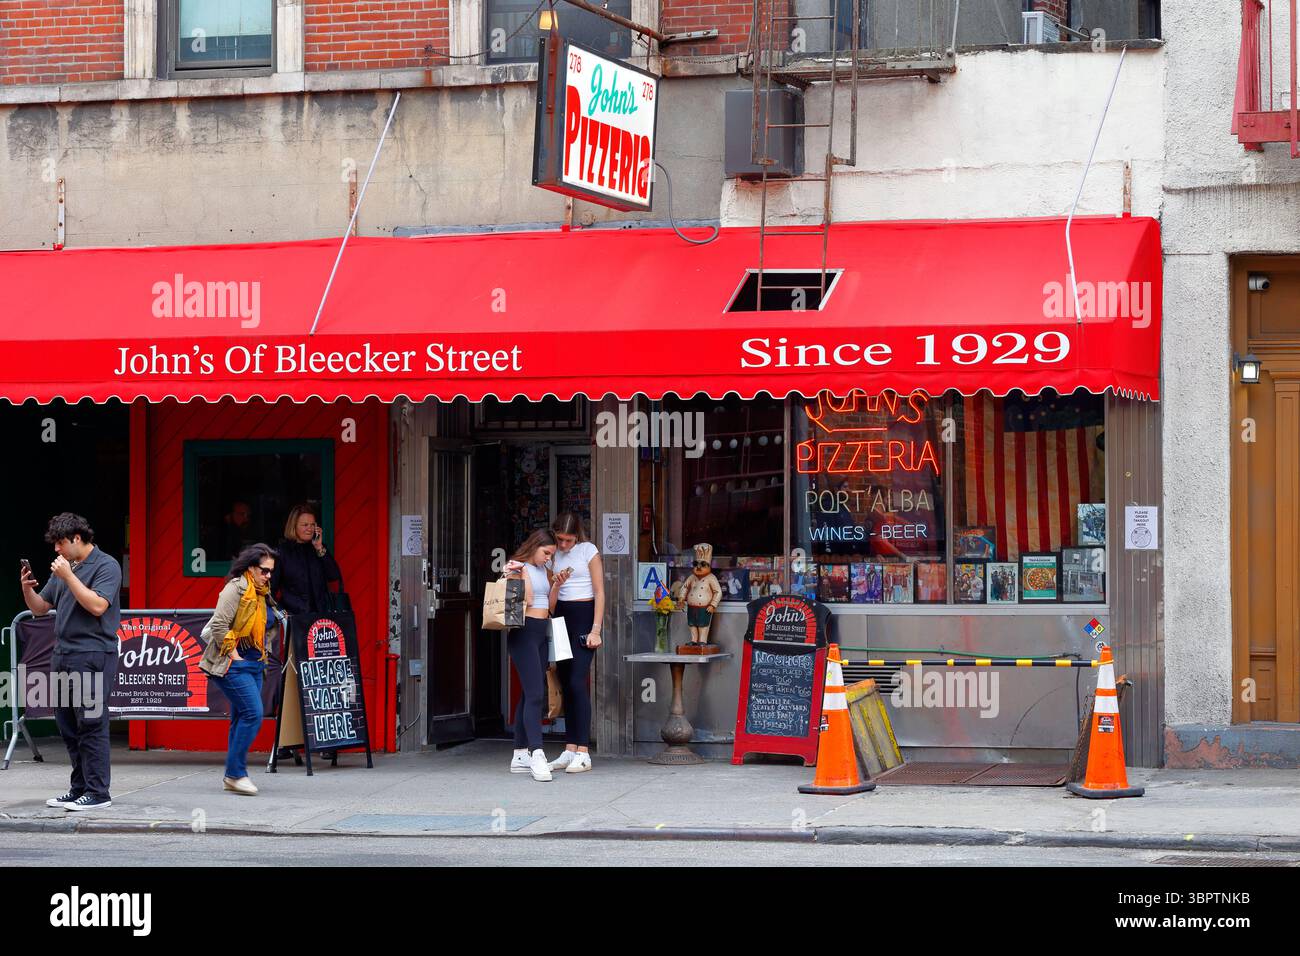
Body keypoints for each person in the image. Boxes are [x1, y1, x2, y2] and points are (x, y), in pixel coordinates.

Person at [21, 513, 122, 812]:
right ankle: (79, 788)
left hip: (93, 653)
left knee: (91, 723)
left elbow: (97, 605)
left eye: (61, 543)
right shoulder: (65, 569)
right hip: (63, 653)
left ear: (77, 538)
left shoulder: (106, 565)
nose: (57, 550)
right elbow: (41, 609)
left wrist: (69, 577)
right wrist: (27, 589)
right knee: (68, 724)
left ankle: (98, 792)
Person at [199, 544, 283, 796]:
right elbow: (220, 626)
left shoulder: (262, 592)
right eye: (264, 571)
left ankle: (232, 776)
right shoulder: (234, 590)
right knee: (253, 714)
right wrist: (235, 657)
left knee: (240, 718)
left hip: (256, 664)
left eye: (271, 572)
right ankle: (235, 773)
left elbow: (264, 624)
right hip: (232, 664)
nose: (269, 576)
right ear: (250, 568)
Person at [546, 513, 604, 774]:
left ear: (577, 536)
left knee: (577, 681)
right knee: (565, 680)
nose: (564, 545)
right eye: (560, 539)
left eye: (569, 540)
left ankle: (583, 750)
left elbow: (600, 591)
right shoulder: (553, 554)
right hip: (561, 616)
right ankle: (570, 747)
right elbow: (550, 602)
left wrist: (596, 629)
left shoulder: (587, 550)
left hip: (584, 616)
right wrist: (556, 585)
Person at [503, 529, 562, 782]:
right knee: (537, 694)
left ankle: (519, 754)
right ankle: (537, 753)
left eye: (551, 555)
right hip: (523, 632)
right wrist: (520, 572)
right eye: (546, 552)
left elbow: (549, 606)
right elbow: (523, 601)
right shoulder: (518, 566)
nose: (548, 558)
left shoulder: (542, 569)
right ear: (535, 546)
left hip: (540, 631)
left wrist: (556, 583)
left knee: (530, 693)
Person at [271, 503, 341, 616]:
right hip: (294, 618)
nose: (310, 528)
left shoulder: (318, 549)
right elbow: (271, 589)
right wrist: (281, 613)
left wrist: (319, 547)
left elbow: (333, 575)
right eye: (305, 525)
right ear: (293, 526)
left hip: (321, 617)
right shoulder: (282, 552)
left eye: (313, 525)